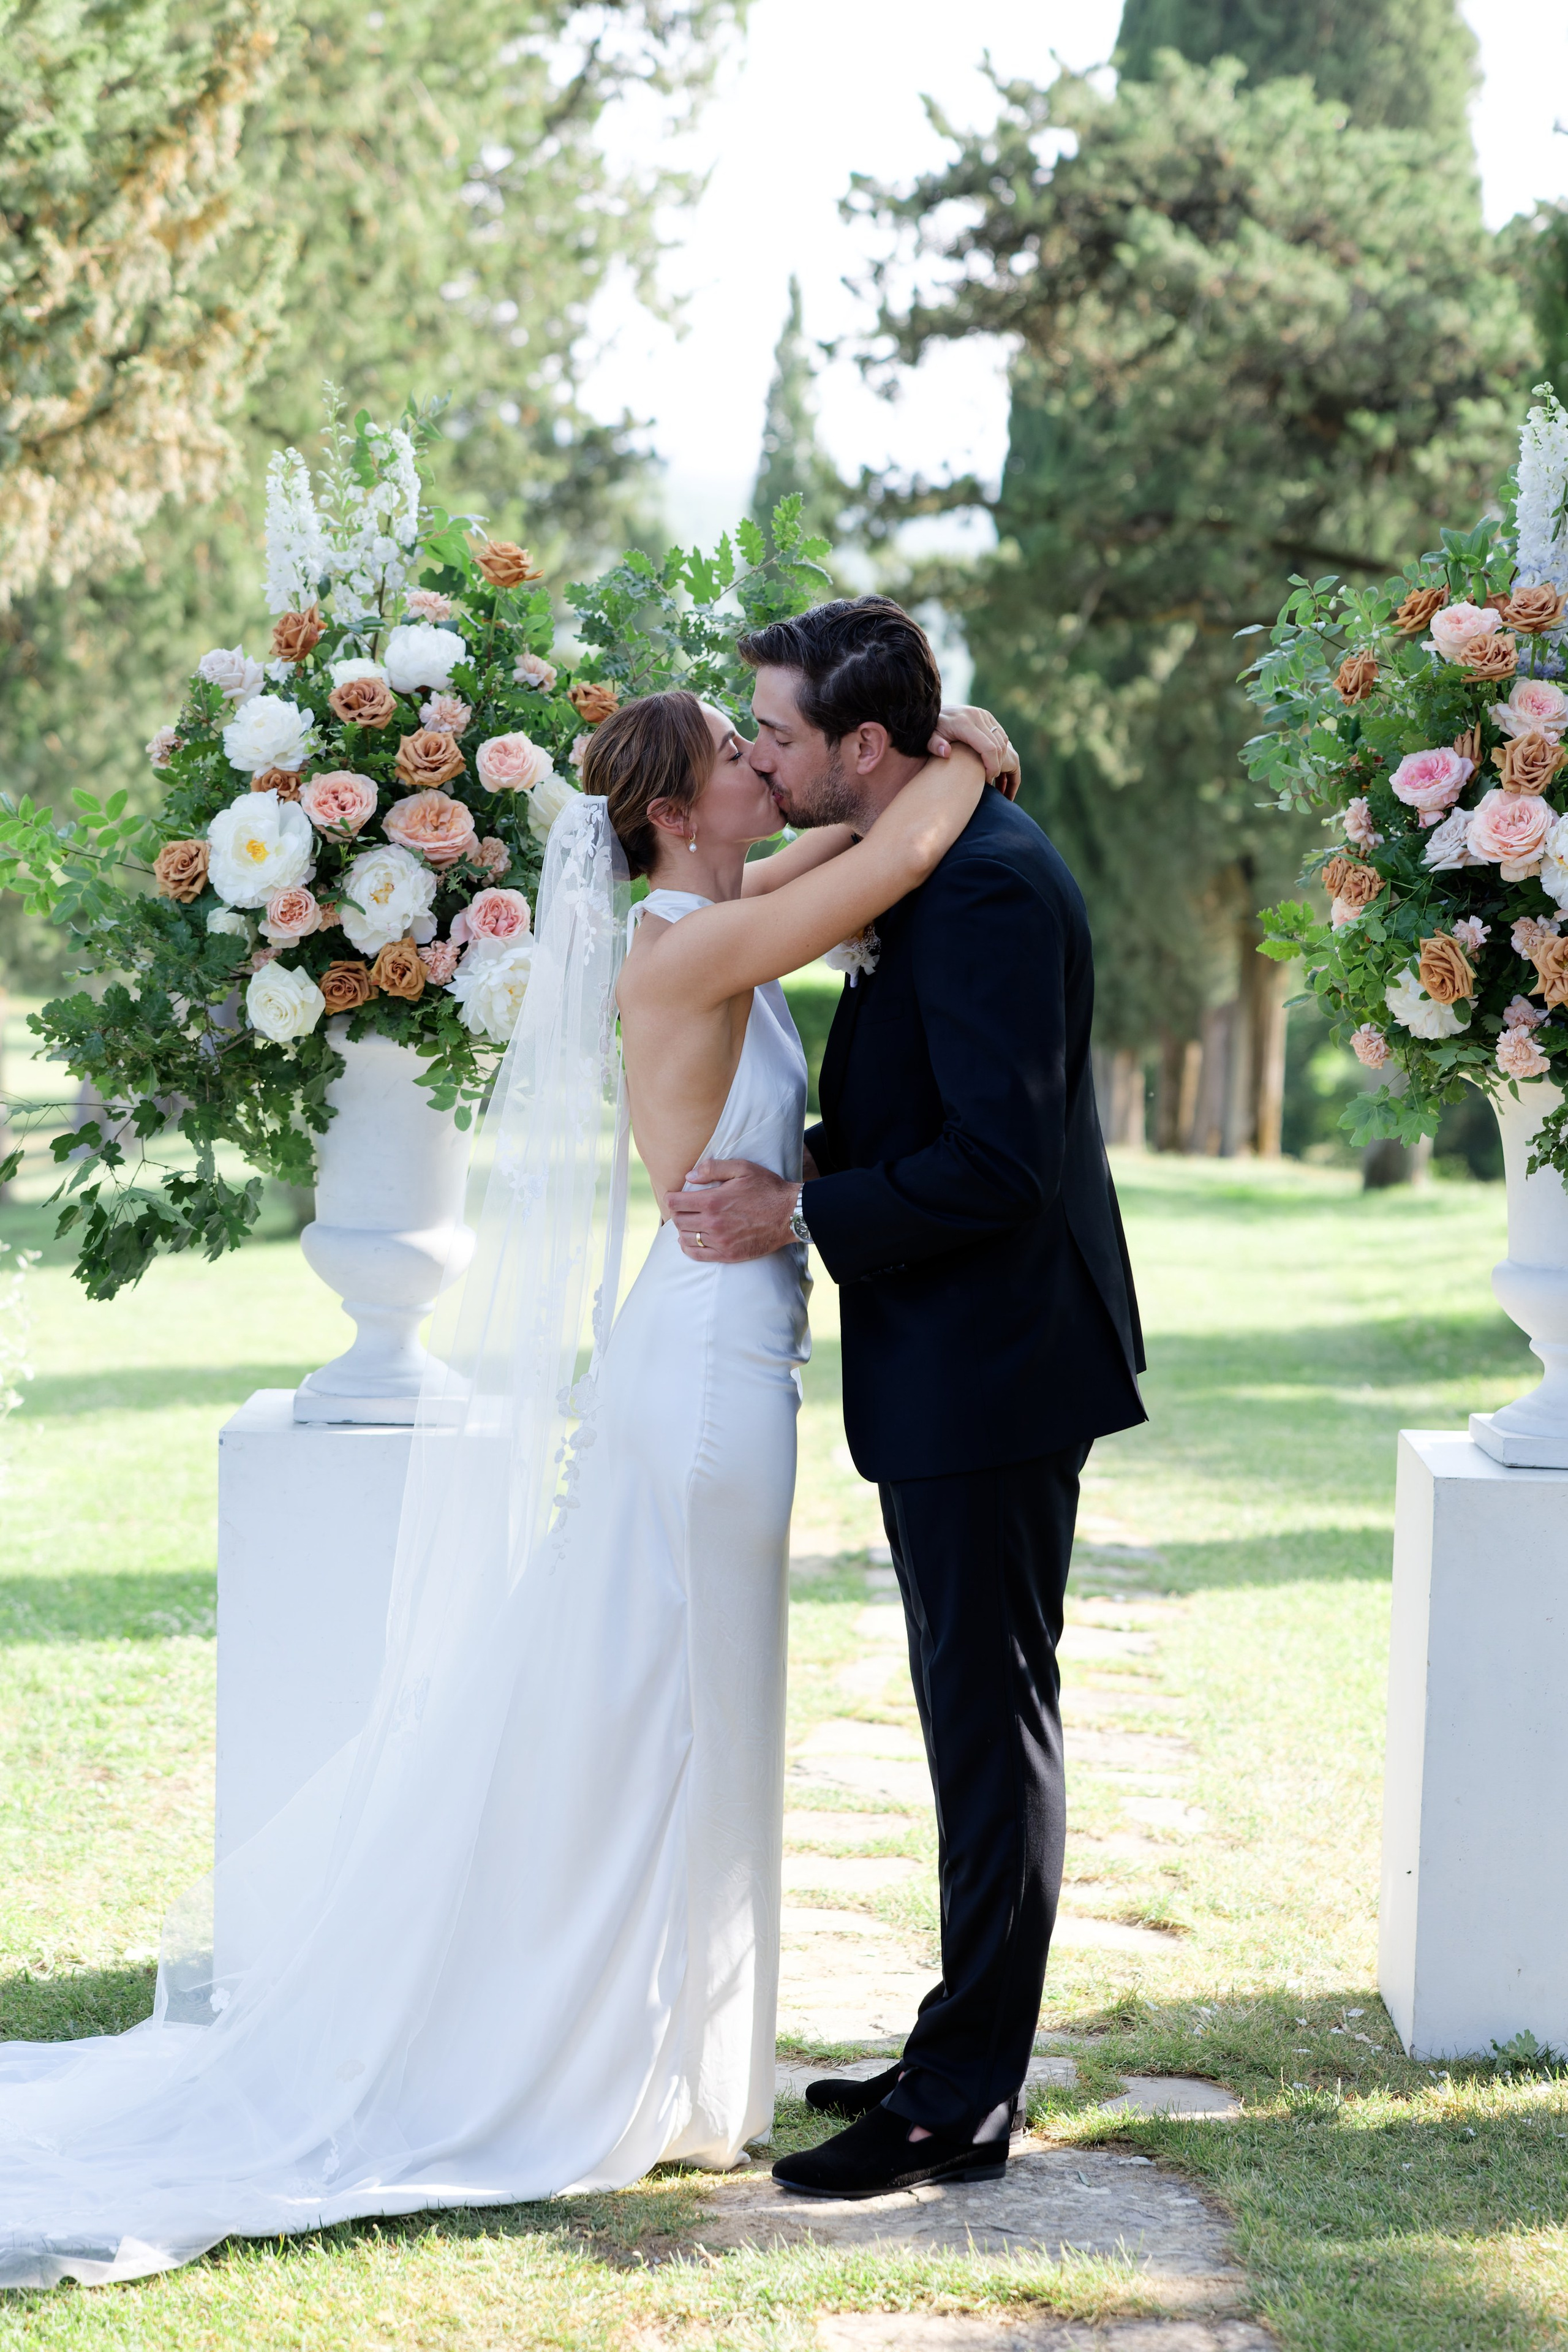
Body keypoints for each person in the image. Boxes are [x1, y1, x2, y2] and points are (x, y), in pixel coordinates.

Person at [0, 687, 1008, 2289]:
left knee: (708, 1703)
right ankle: (627, 2058)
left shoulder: (717, 905)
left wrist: (918, 791)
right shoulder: (683, 945)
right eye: (738, 758)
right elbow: (882, 866)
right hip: (704, 1376)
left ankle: (698, 2066)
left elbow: (845, 847)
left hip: (735, 1345)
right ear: (674, 817)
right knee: (670, 1705)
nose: (769, 766)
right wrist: (967, 750)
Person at [663, 597, 1147, 2201]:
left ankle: (959, 2105)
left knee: (992, 1724)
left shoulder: (986, 888)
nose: (767, 753)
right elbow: (918, 1105)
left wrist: (796, 1210)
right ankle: (959, 2041)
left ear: (868, 744)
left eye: (782, 734)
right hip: (953, 1357)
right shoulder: (919, 860)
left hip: (998, 1362)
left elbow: (998, 1166)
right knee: (965, 1717)